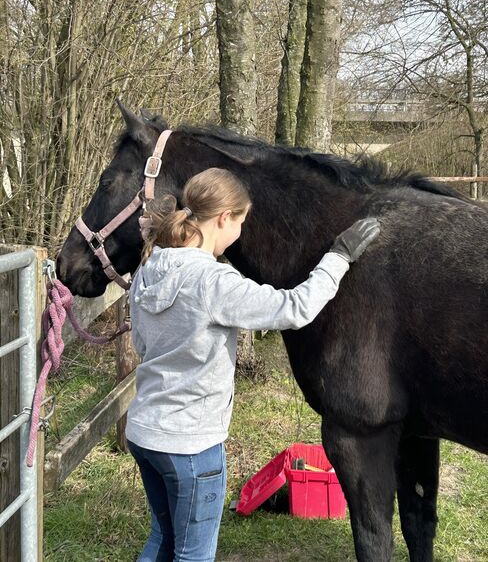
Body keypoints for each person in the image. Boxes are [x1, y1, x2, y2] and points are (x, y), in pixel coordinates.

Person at [127, 167, 380, 562]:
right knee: (193, 555)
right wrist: (339, 257)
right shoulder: (214, 282)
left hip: (144, 434)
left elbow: (143, 344)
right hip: (191, 445)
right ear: (224, 218)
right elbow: (294, 307)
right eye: (241, 222)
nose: (240, 233)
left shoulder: (147, 269)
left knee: (162, 539)